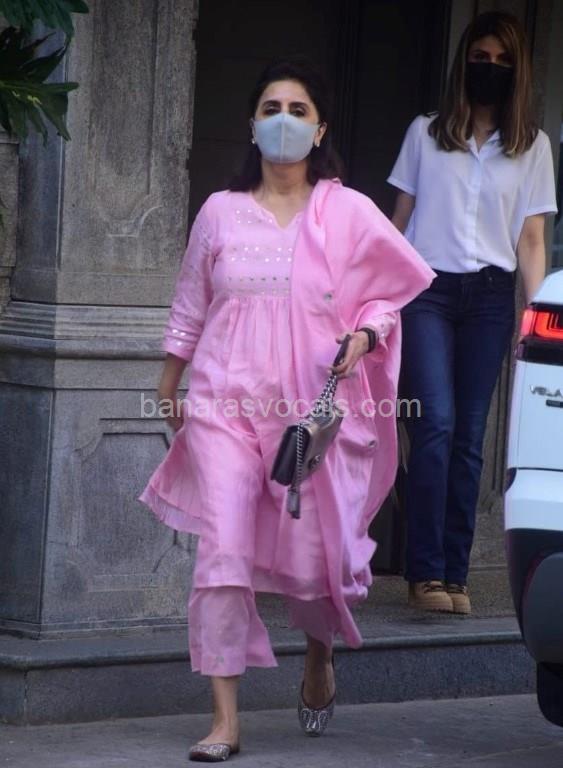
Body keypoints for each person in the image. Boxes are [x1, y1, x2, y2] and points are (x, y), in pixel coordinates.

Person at [139, 57, 433, 762]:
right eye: (271, 108)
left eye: (298, 110)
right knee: (223, 550)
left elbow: (387, 296)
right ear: (251, 123)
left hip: (309, 413)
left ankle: (317, 654)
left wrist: (366, 335)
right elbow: (190, 303)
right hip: (222, 403)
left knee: (310, 560)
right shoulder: (219, 211)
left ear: (320, 129)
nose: (283, 121)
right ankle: (224, 720)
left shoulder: (347, 212)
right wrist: (168, 384)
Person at [388, 12, 558, 616]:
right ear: (464, 63)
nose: (490, 68)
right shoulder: (425, 134)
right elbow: (398, 223)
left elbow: (532, 241)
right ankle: (424, 572)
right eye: (480, 58)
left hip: (490, 298)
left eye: (502, 61)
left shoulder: (533, 147)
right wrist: (372, 302)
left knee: (469, 436)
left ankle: (454, 577)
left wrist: (536, 322)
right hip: (427, 293)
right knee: (434, 423)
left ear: (519, 71)